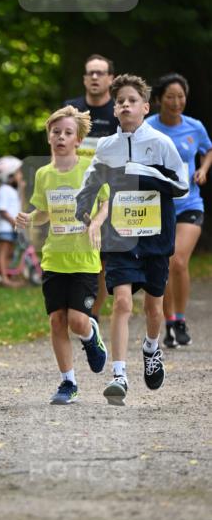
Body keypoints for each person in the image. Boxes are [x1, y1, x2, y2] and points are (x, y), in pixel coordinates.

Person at [75, 74, 188, 406]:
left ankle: (151, 348)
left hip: (155, 237)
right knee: (122, 302)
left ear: (145, 107)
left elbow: (180, 186)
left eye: (131, 101)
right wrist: (87, 217)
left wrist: (143, 170)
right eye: (120, 101)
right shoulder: (106, 148)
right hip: (120, 240)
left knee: (153, 307)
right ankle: (119, 374)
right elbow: (88, 190)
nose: (125, 105)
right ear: (114, 109)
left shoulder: (162, 143)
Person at [16, 106, 109, 405]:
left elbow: (106, 202)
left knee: (78, 322)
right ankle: (68, 382)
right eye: (56, 132)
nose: (61, 137)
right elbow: (45, 212)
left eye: (68, 133)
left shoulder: (90, 169)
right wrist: (30, 218)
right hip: (54, 259)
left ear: (78, 140)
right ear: (49, 137)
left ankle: (91, 334)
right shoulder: (44, 174)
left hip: (83, 259)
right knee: (57, 320)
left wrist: (95, 222)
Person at [147, 73, 212, 348]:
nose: (176, 102)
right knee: (163, 264)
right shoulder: (148, 127)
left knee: (178, 261)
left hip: (189, 203)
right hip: (158, 205)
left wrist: (203, 169)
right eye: (170, 97)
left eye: (181, 96)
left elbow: (208, 149)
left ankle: (181, 318)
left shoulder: (194, 127)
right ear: (159, 100)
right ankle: (170, 321)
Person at [65, 53, 117, 320]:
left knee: (102, 261)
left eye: (100, 73)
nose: (95, 77)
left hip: (110, 196)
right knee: (78, 254)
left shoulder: (118, 112)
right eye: (90, 73)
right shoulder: (71, 110)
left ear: (111, 78)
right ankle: (78, 307)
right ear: (85, 78)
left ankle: (93, 314)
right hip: (77, 195)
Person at [0, 156, 23, 286]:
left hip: (11, 227)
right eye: (18, 172)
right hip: (5, 227)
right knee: (4, 252)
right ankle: (3, 278)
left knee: (10, 252)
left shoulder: (11, 190)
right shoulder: (4, 190)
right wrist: (13, 222)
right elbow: (2, 210)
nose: (21, 175)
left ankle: (6, 275)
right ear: (9, 175)